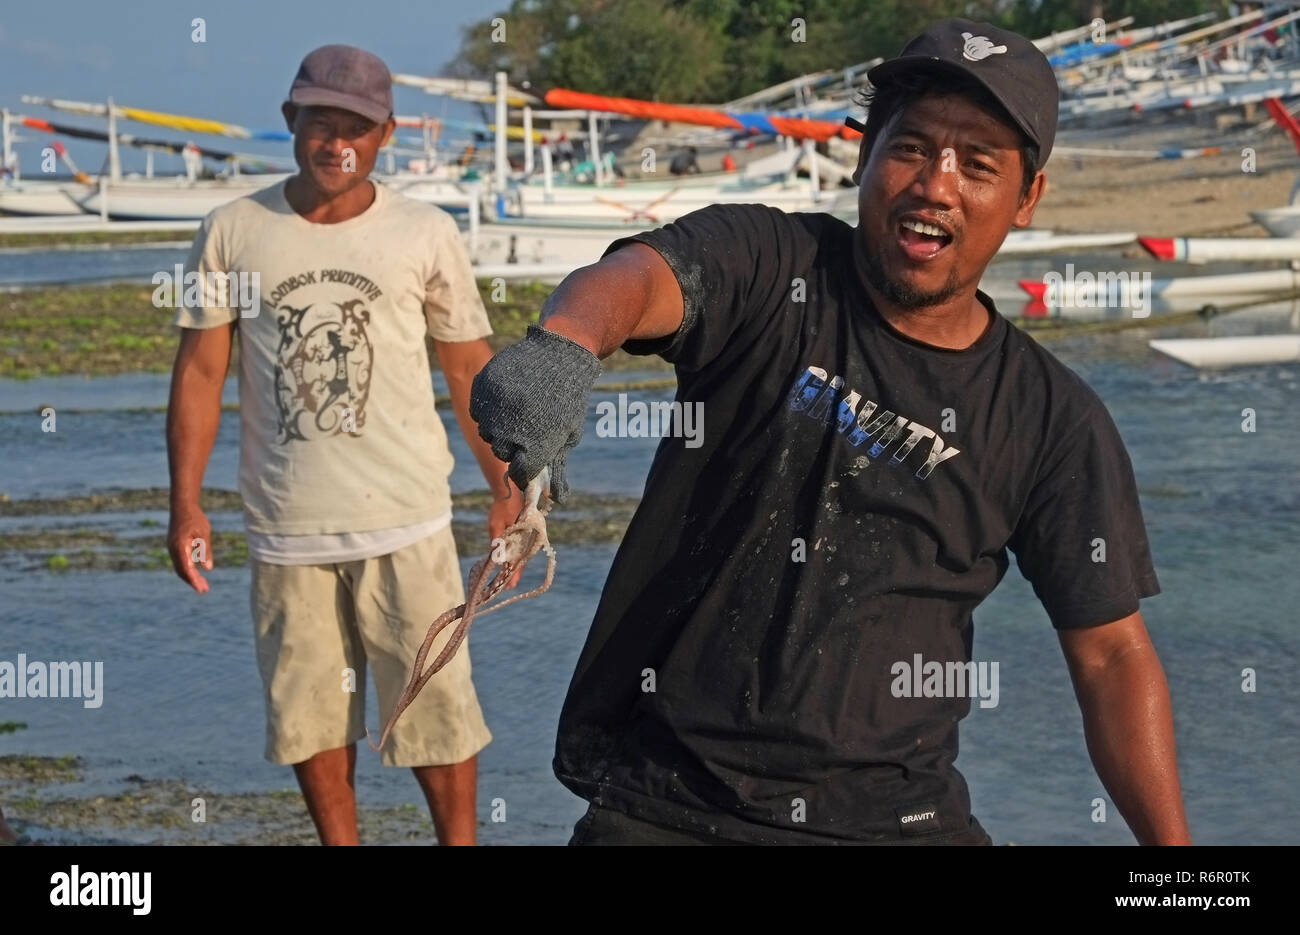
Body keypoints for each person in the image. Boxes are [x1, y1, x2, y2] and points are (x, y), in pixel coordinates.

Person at [470, 19, 1191, 845]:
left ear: (1027, 199)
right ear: (863, 157)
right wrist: (563, 344)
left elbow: (1110, 656)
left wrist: (1179, 866)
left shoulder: (1052, 419)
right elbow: (636, 281)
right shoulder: (773, 266)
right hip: (667, 804)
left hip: (900, 819)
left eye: (979, 164)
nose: (936, 184)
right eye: (911, 147)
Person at [167, 45, 513, 846]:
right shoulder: (231, 231)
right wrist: (186, 503)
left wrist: (509, 485)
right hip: (287, 526)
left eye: (354, 126)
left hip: (410, 517)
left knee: (439, 708)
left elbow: (467, 365)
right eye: (319, 122)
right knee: (309, 711)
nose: (336, 142)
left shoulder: (425, 232)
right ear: (291, 122)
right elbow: (200, 372)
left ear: (386, 133)